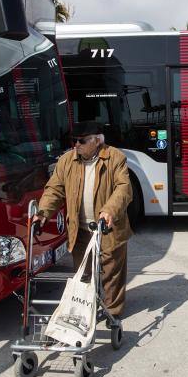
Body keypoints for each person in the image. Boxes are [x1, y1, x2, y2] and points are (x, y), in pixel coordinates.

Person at [34, 121, 132, 321]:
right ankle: (87, 308)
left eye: (82, 141)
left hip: (107, 227)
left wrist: (109, 210)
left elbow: (123, 188)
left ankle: (113, 313)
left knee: (111, 272)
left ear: (97, 141)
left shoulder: (115, 157)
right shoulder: (67, 161)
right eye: (74, 141)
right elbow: (54, 189)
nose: (76, 145)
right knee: (83, 273)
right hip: (79, 228)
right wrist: (43, 212)